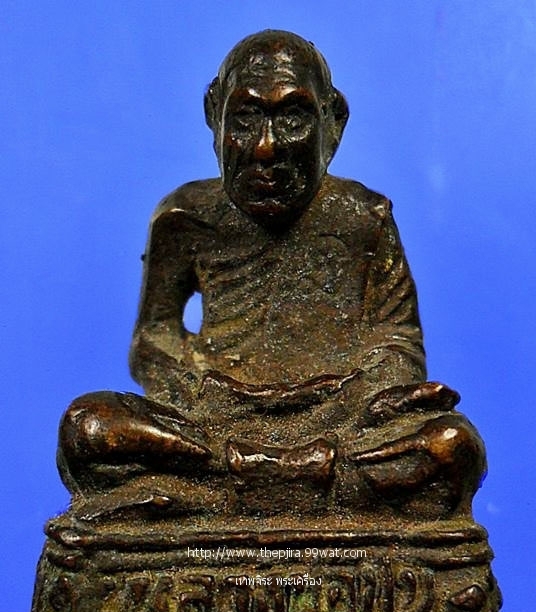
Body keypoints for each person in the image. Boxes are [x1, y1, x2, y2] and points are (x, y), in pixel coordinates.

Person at [57, 30, 485, 520]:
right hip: (214, 418)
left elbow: (397, 339)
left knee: (452, 444)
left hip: (337, 414)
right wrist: (196, 389)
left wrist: (377, 396)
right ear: (214, 115)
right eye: (246, 118)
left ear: (334, 122)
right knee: (88, 427)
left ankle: (218, 490)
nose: (265, 148)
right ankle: (288, 479)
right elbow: (155, 337)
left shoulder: (364, 218)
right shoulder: (184, 218)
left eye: (293, 119)